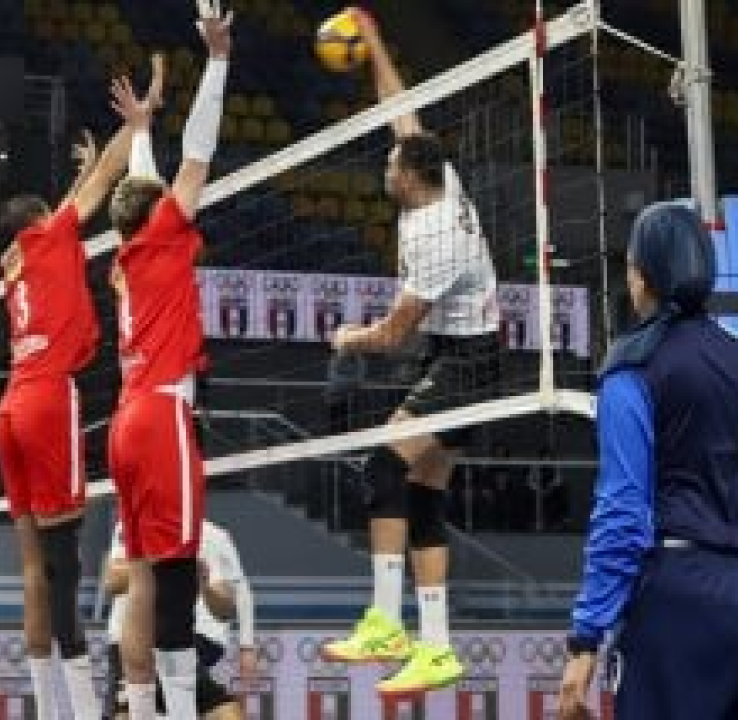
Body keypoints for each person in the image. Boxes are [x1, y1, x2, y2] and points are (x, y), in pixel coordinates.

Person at [323, 9, 501, 696]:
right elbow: (400, 106)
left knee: (381, 466)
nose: (385, 166)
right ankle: (436, 648)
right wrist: (371, 39)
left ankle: (385, 623)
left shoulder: (434, 239)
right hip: (461, 354)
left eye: (390, 164)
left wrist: (348, 337)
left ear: (410, 178)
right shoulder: (438, 176)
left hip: (466, 363)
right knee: (423, 497)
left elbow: (393, 335)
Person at [556, 203, 738, 720]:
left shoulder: (631, 368)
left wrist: (586, 636)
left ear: (642, 277)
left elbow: (622, 510)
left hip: (680, 601)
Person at [0, 59, 162, 720]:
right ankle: (86, 708)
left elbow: (70, 207)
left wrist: (77, 180)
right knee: (66, 565)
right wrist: (137, 122)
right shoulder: (52, 233)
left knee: (34, 569)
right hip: (45, 399)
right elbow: (110, 176)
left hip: (9, 406)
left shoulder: (13, 262)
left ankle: (46, 706)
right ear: (43, 218)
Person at [105, 2, 230, 717]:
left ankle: (137, 706)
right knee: (176, 578)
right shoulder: (163, 233)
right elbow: (199, 154)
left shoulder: (129, 253)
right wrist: (217, 61)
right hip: (159, 420)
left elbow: (145, 186)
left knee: (145, 579)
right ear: (157, 215)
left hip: (125, 423)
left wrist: (141, 132)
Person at [102, 519, 256, 720]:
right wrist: (163, 560)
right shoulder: (130, 526)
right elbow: (113, 582)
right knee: (126, 710)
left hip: (190, 639)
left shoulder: (212, 536)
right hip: (133, 640)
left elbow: (227, 606)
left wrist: (204, 585)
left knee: (227, 714)